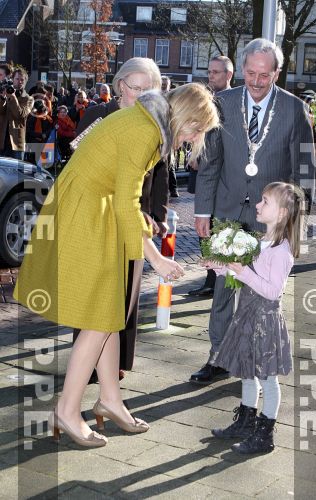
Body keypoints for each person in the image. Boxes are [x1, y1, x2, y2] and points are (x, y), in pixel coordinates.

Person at [14, 82, 219, 448]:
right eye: (196, 129)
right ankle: (67, 409)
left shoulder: (147, 123)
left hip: (94, 208)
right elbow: (127, 200)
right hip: (89, 212)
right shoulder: (145, 131)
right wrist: (155, 257)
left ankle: (109, 399)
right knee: (97, 318)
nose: (193, 137)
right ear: (186, 116)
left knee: (108, 311)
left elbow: (124, 198)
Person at [190, 38, 315, 384]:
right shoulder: (223, 103)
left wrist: (293, 222)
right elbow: (211, 162)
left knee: (258, 294)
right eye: (251, 73)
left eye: (265, 74)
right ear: (241, 70)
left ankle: (251, 363)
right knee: (222, 288)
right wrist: (202, 211)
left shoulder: (293, 109)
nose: (257, 81)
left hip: (270, 219)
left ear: (276, 72)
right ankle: (217, 357)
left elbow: (304, 170)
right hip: (228, 210)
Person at [74, 57, 166, 383]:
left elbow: (160, 173)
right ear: (120, 85)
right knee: (94, 293)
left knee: (126, 294)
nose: (141, 96)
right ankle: (86, 365)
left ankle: (116, 365)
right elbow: (81, 168)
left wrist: (157, 214)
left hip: (135, 219)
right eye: (135, 88)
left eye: (148, 89)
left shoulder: (154, 123)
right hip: (98, 217)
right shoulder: (98, 115)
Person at [208, 182, 305, 454]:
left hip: (264, 321)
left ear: (283, 213)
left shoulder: (282, 251)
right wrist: (221, 267)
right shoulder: (261, 241)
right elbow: (245, 276)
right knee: (246, 372)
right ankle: (246, 422)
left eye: (265, 201)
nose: (258, 205)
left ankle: (265, 436)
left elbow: (273, 291)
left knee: (267, 379)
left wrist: (242, 272)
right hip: (247, 316)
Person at [188, 55, 234, 298]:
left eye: (216, 72)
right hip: (202, 174)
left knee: (217, 229)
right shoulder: (205, 100)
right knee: (203, 229)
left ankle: (216, 278)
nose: (211, 76)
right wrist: (193, 152)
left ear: (229, 75)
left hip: (221, 178)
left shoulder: (232, 102)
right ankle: (210, 277)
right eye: (209, 71)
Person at [0, 68, 34, 160]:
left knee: (16, 173)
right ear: (12, 79)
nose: (19, 81)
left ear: (25, 81)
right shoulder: (5, 93)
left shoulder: (29, 99)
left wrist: (13, 96)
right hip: (2, 141)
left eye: (22, 79)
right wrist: (2, 98)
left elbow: (19, 114)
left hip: (16, 144)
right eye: (17, 79)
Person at [161, 76, 179, 198]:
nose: (163, 86)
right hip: (157, 133)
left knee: (170, 163)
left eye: (165, 84)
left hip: (169, 133)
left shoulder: (172, 98)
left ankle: (173, 189)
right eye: (162, 83)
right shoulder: (155, 97)